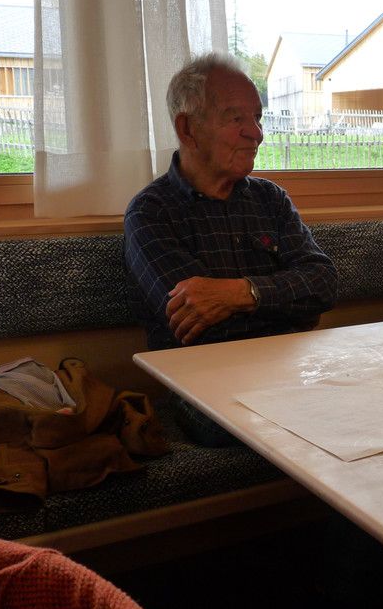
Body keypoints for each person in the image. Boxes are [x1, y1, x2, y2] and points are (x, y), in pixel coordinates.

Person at [124, 52, 338, 444]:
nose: (256, 133)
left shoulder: (270, 199)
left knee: (380, 394)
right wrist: (289, 308)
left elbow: (324, 283)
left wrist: (240, 294)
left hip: (289, 368)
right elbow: (198, 328)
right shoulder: (151, 212)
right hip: (204, 387)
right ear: (188, 129)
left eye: (257, 117)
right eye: (236, 118)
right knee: (304, 420)